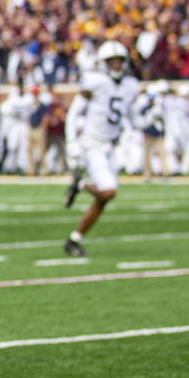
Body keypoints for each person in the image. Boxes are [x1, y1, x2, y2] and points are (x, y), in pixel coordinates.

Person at [62, 40, 140, 257]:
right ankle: (82, 183)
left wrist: (148, 119)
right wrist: (71, 142)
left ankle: (73, 239)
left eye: (118, 61)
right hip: (92, 143)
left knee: (103, 199)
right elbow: (74, 113)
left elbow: (132, 118)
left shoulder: (130, 85)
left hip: (111, 147)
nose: (115, 66)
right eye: (111, 62)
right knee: (108, 191)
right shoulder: (94, 82)